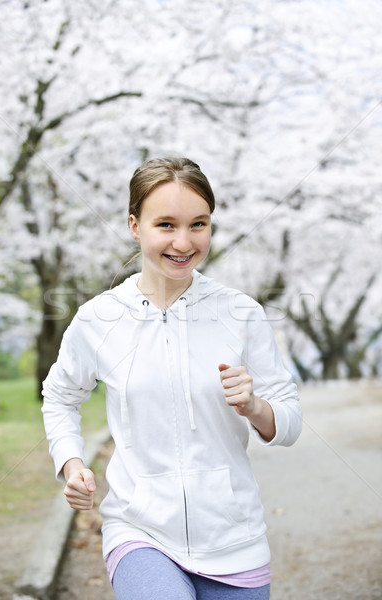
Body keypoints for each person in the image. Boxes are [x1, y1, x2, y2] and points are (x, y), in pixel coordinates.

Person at [42, 157, 302, 600]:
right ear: (134, 225)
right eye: (166, 224)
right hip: (139, 531)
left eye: (198, 224)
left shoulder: (240, 313)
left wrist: (256, 407)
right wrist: (72, 463)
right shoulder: (99, 318)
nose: (184, 242)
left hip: (235, 539)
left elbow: (291, 421)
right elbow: (60, 397)